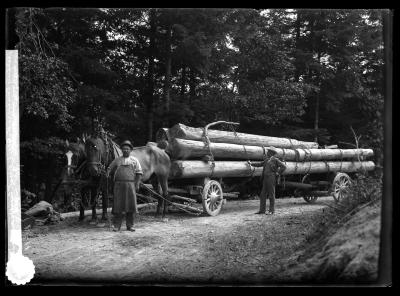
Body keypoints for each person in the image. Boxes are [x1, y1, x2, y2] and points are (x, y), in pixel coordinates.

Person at [106, 140, 143, 231]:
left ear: (130, 150)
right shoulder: (117, 160)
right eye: (124, 149)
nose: (126, 150)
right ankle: (117, 226)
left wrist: (137, 184)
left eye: (127, 149)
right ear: (121, 150)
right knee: (118, 206)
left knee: (130, 206)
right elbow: (109, 168)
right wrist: (107, 173)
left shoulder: (134, 160)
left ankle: (130, 225)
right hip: (118, 186)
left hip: (130, 186)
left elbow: (139, 173)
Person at [247, 147, 286, 215]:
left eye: (268, 152)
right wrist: (251, 163)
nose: (267, 153)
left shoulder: (275, 160)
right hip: (265, 178)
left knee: (271, 194)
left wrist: (278, 173)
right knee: (262, 195)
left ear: (271, 153)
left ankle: (271, 211)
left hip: (271, 178)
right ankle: (262, 210)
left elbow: (284, 167)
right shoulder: (266, 160)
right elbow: (259, 164)